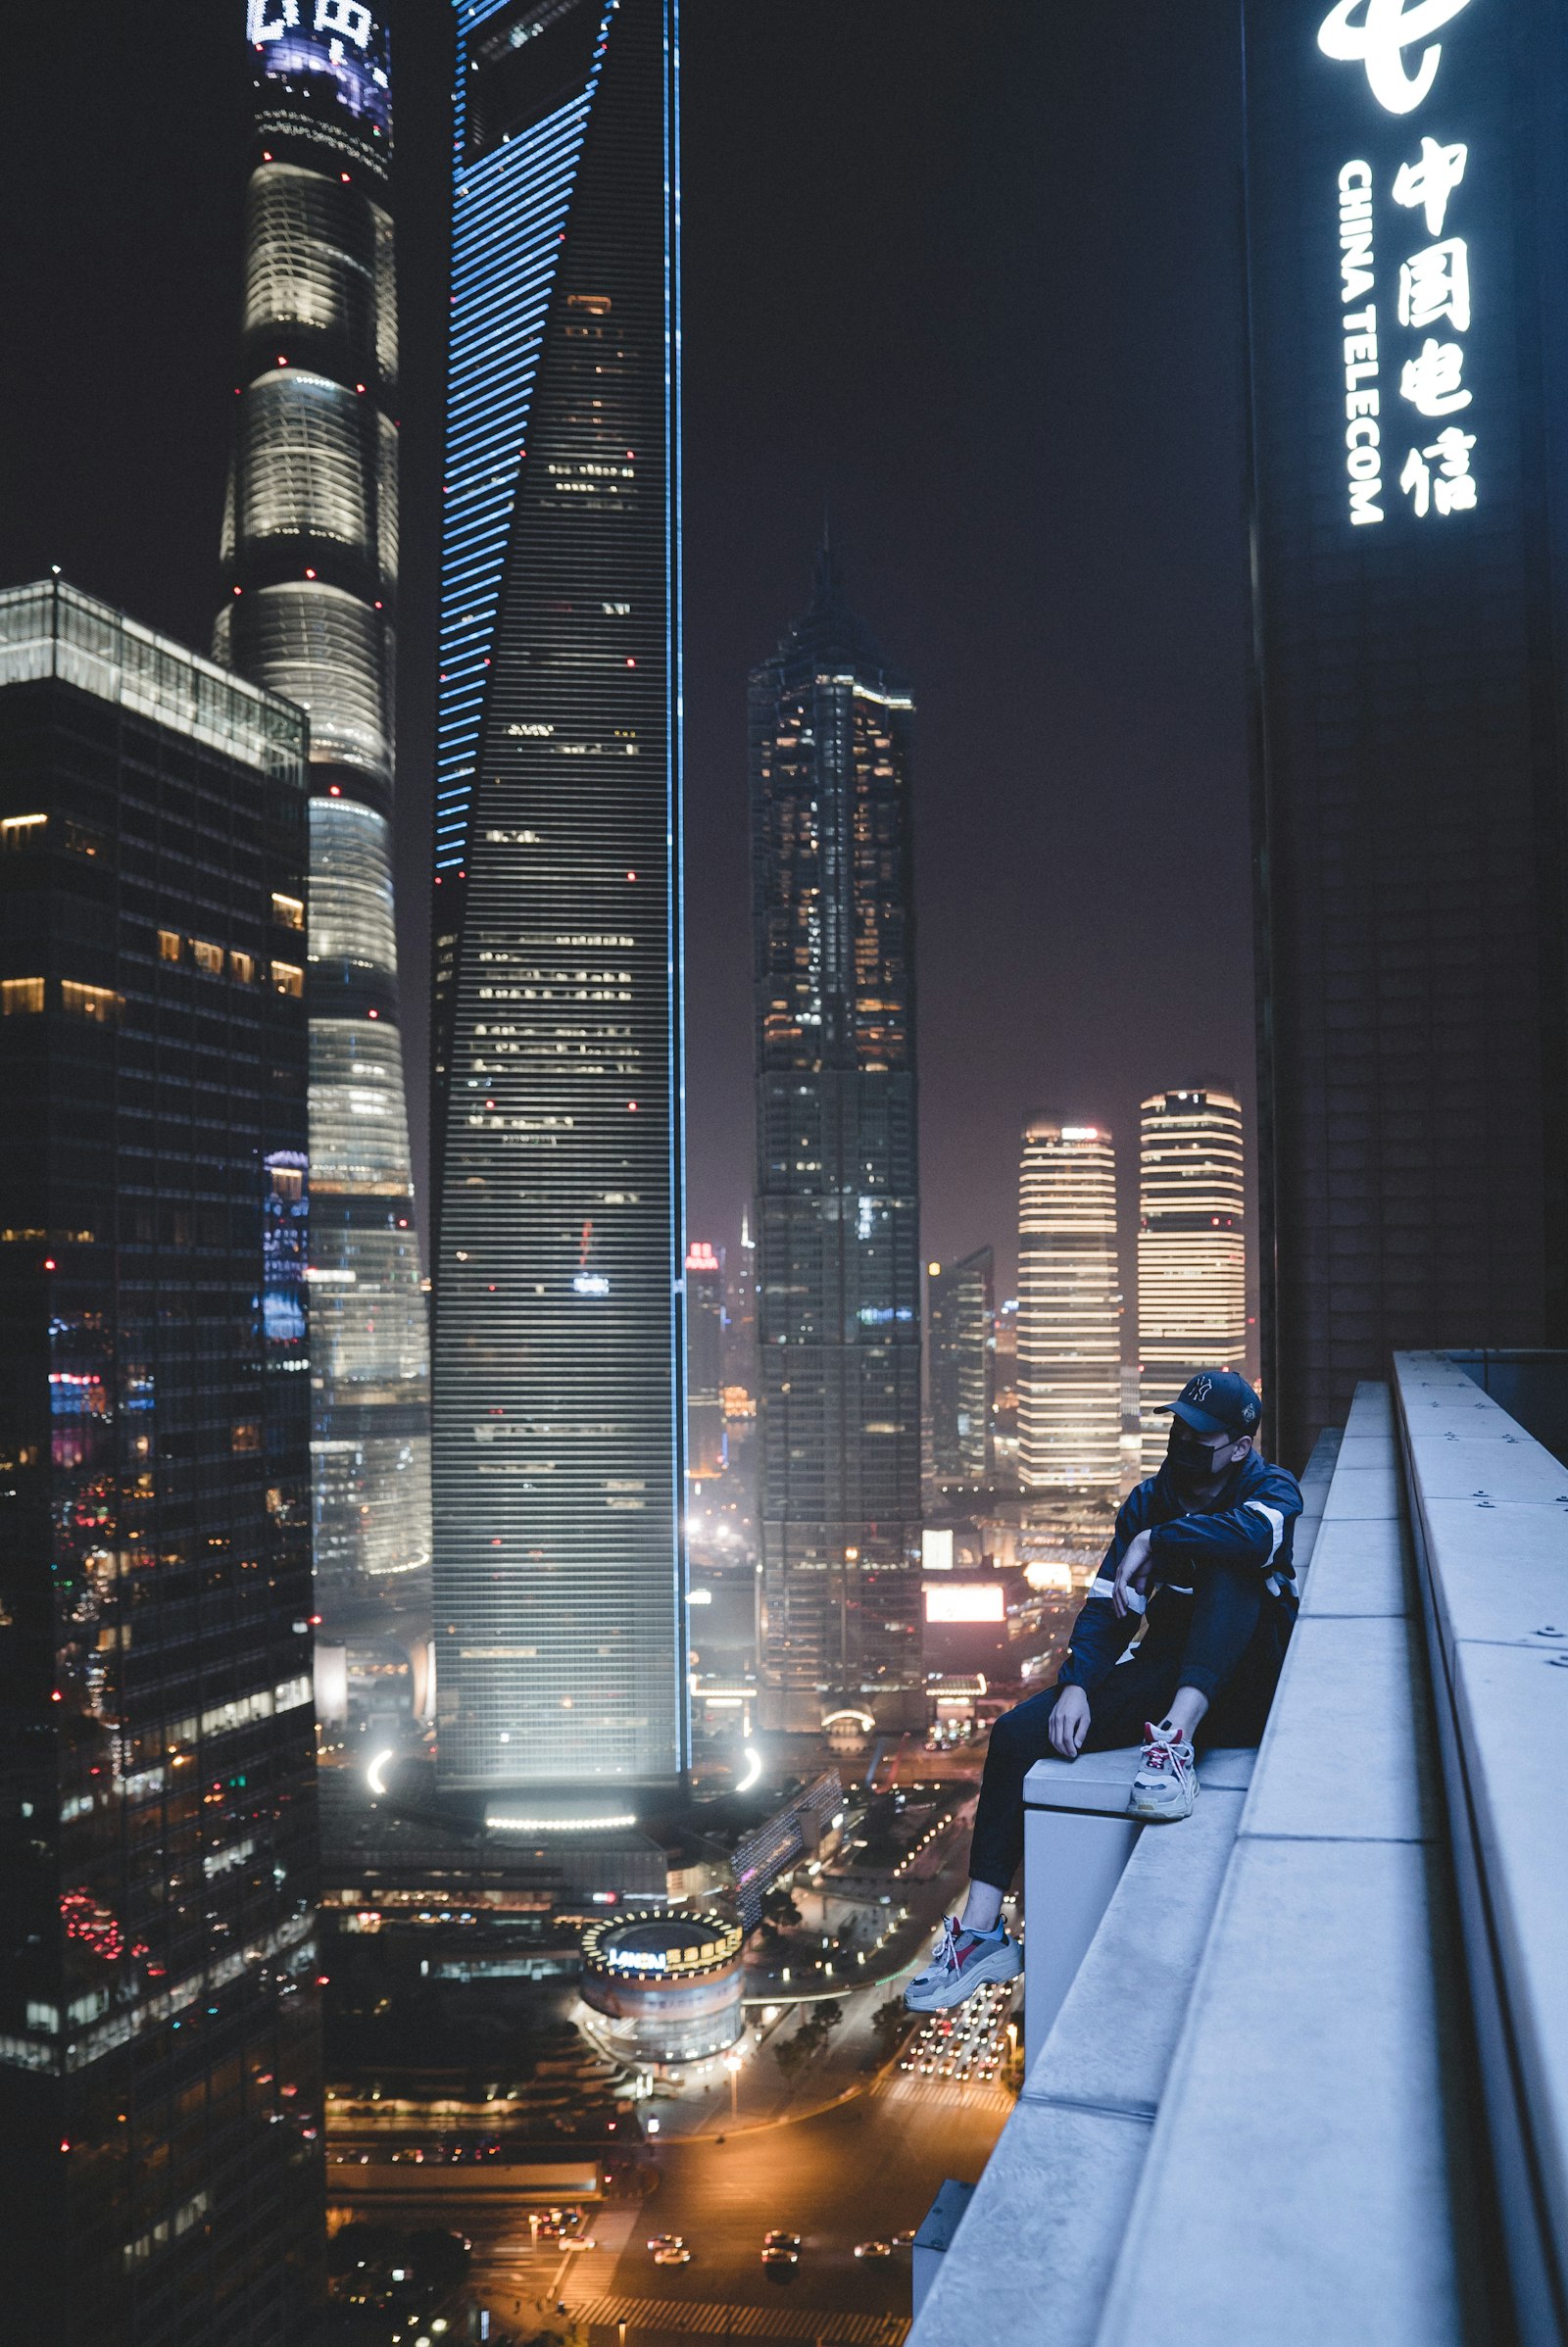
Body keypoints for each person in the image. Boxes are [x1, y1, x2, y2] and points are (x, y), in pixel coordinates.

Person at [906, 1369, 1302, 2014]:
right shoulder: (1152, 1498)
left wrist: (1162, 1539)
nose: (1183, 1439)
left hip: (1249, 1685)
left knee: (1236, 1566)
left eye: (1200, 1433)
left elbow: (1257, 1537)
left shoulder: (1270, 1487)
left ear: (1239, 1444)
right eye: (1178, 1425)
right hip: (1170, 1667)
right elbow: (1106, 1604)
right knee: (1016, 1734)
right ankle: (980, 1934)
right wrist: (1077, 1685)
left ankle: (1175, 1744)